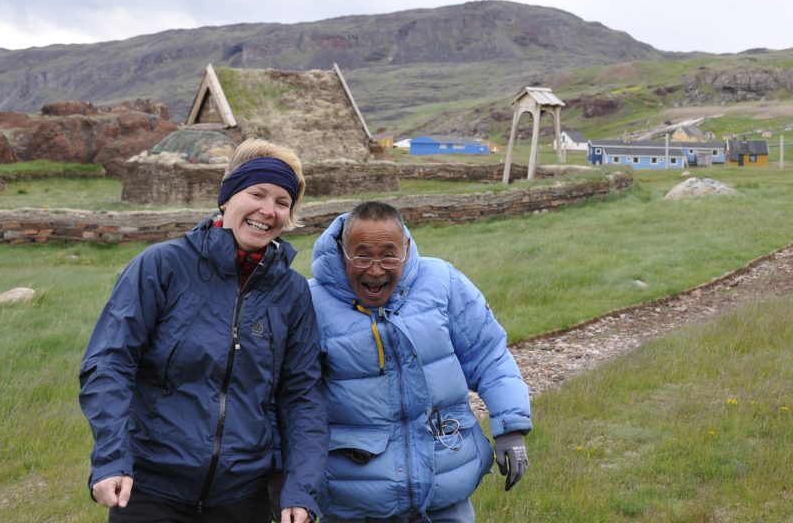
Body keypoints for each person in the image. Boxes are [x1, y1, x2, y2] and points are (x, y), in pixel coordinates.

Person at [79, 138, 328, 523]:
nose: (269, 210)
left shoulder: (292, 292)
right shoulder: (162, 267)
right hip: (150, 488)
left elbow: (302, 396)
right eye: (258, 193)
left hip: (243, 495)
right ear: (227, 196)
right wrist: (112, 458)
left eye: (282, 202)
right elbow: (109, 363)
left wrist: (300, 488)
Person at [308, 201, 532, 522]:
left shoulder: (442, 282)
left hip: (446, 484)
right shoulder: (312, 302)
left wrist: (510, 429)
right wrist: (281, 474)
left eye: (388, 254)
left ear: (407, 247)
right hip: (355, 499)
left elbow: (489, 354)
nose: (375, 269)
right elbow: (289, 396)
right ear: (343, 251)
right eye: (362, 254)